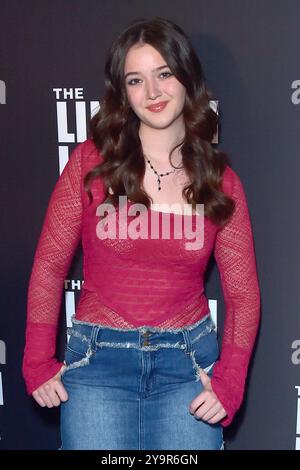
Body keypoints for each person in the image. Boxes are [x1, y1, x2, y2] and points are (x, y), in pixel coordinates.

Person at [22, 17, 260, 450]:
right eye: (136, 80)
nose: (152, 93)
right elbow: (48, 265)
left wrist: (230, 382)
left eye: (164, 74)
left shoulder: (220, 181)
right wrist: (37, 361)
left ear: (187, 77)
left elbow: (243, 295)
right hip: (96, 368)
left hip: (188, 370)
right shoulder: (91, 165)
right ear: (123, 93)